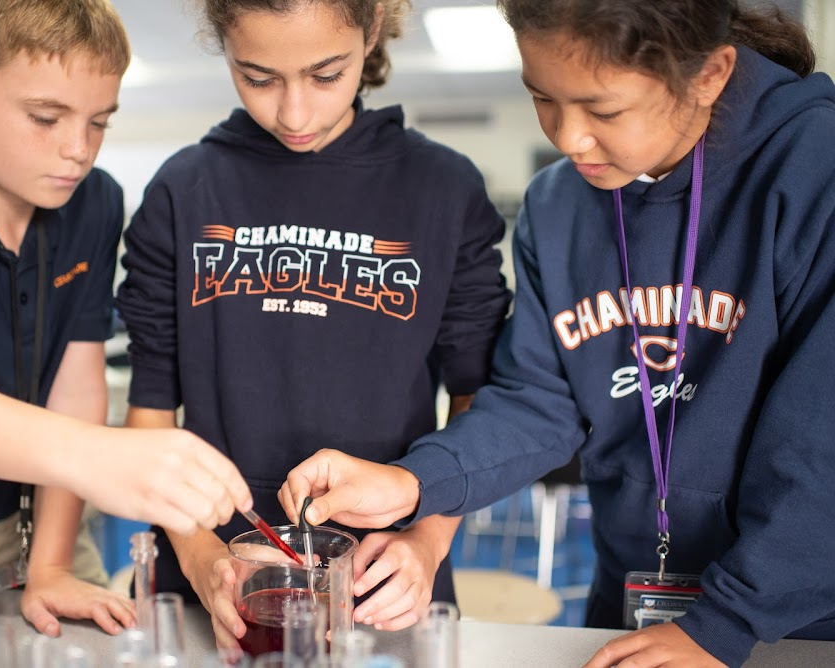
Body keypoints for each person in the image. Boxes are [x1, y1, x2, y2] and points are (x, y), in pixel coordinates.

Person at [280, 1, 835, 666]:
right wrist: (412, 482)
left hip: (794, 615)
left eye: (603, 111)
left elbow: (822, 442)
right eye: (541, 96)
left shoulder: (814, 171)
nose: (569, 139)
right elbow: (540, 400)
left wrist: (725, 620)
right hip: (632, 594)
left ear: (710, 74)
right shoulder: (558, 204)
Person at [0, 0, 251, 639]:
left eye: (99, 122)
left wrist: (52, 563)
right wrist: (95, 456)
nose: (77, 150)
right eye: (45, 118)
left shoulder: (94, 203)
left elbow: (76, 384)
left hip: (52, 528)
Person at [113, 0, 511, 650]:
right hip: (211, 594)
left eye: (325, 74)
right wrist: (198, 557)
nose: (294, 112)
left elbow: (478, 401)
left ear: (371, 30)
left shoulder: (443, 189)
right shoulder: (184, 190)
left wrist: (427, 539)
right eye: (258, 76)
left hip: (384, 586)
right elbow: (149, 420)